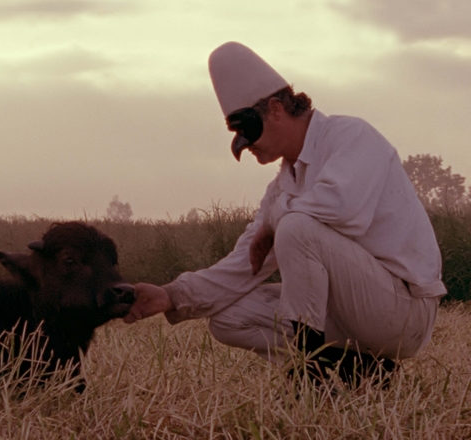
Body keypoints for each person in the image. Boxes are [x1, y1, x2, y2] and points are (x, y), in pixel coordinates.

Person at [124, 42, 446, 384]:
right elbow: (244, 265)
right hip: (350, 315)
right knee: (227, 318)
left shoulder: (351, 137)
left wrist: (275, 223)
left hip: (403, 313)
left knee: (295, 226)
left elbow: (343, 210)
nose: (241, 145)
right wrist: (171, 295)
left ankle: (311, 375)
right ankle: (361, 371)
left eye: (245, 127)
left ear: (275, 109)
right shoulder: (283, 187)